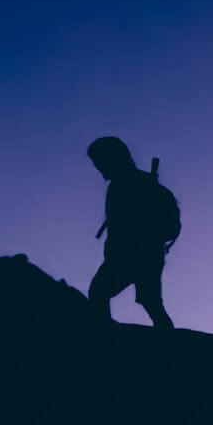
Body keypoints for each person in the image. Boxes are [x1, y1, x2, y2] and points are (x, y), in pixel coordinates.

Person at [85, 136, 178, 330]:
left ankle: (105, 336)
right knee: (149, 302)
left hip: (141, 254)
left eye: (100, 162)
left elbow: (167, 226)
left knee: (105, 293)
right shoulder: (120, 186)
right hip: (131, 255)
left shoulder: (140, 185)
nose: (99, 168)